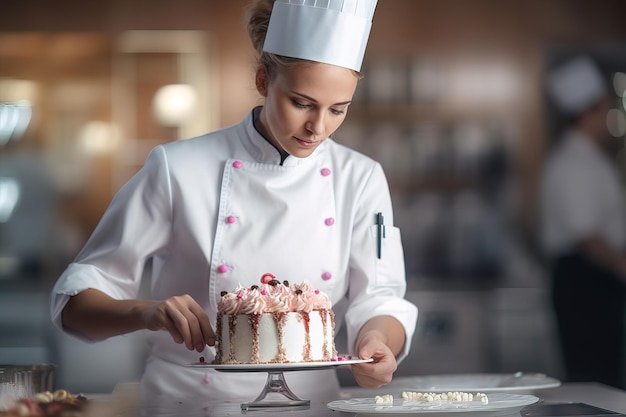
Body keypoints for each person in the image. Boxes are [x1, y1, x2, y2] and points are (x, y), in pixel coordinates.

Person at [49, 0, 418, 401]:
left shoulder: (360, 178)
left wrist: (379, 340)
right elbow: (76, 304)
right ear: (263, 81)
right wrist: (147, 311)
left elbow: (380, 297)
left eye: (337, 110)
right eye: (302, 103)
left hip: (312, 406)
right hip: (191, 404)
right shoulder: (177, 168)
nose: (318, 127)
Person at [539, 55, 626, 389]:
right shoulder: (574, 162)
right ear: (593, 111)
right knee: (593, 376)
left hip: (591, 278)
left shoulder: (586, 157)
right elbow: (587, 235)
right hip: (585, 279)